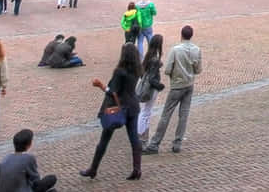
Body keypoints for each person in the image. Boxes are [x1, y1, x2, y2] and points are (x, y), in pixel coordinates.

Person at [79, 43, 142, 180]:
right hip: (133, 106)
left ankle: (93, 169)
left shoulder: (120, 72)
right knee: (134, 139)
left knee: (104, 140)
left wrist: (100, 85)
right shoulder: (137, 69)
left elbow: (112, 92)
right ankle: (137, 169)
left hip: (119, 108)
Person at [144, 24, 202, 154]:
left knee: (166, 115)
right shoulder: (196, 50)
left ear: (181, 34)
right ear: (191, 35)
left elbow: (168, 69)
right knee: (184, 115)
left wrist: (174, 75)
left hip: (177, 85)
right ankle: (177, 143)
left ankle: (154, 144)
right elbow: (198, 70)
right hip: (189, 84)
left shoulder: (175, 50)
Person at [0, 128, 56, 192]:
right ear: (29, 145)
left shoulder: (6, 158)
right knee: (52, 178)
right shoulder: (28, 158)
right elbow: (35, 179)